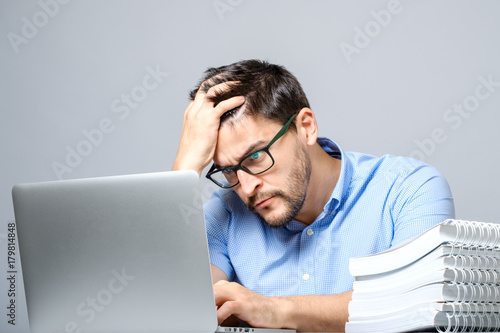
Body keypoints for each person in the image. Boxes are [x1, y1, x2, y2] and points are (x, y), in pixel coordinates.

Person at [172, 59, 455, 332]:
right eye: (229, 171)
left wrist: (275, 311)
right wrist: (184, 169)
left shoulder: (409, 188)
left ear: (305, 127)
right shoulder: (226, 212)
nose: (246, 188)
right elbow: (175, 306)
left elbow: (413, 305)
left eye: (256, 156)